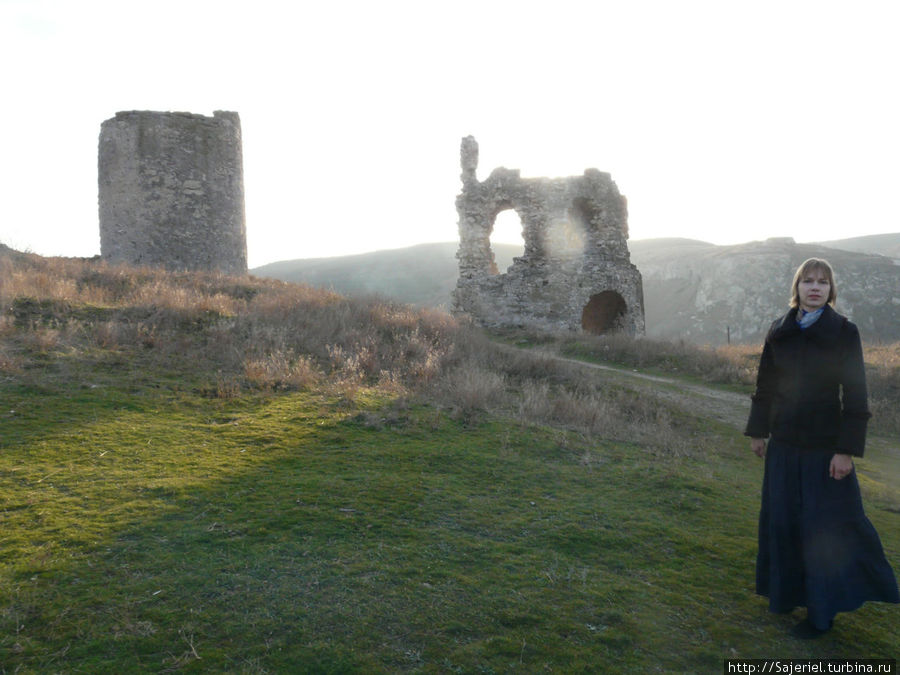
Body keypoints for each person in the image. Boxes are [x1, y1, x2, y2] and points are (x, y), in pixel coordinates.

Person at [745, 257, 899, 639]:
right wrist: (758, 432)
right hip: (784, 446)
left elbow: (856, 394)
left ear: (831, 290)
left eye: (823, 282)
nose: (815, 287)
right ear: (797, 287)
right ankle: (784, 596)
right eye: (808, 281)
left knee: (824, 532)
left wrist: (845, 450)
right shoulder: (778, 330)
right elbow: (765, 386)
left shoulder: (844, 332)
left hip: (824, 450)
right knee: (782, 523)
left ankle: (821, 614)